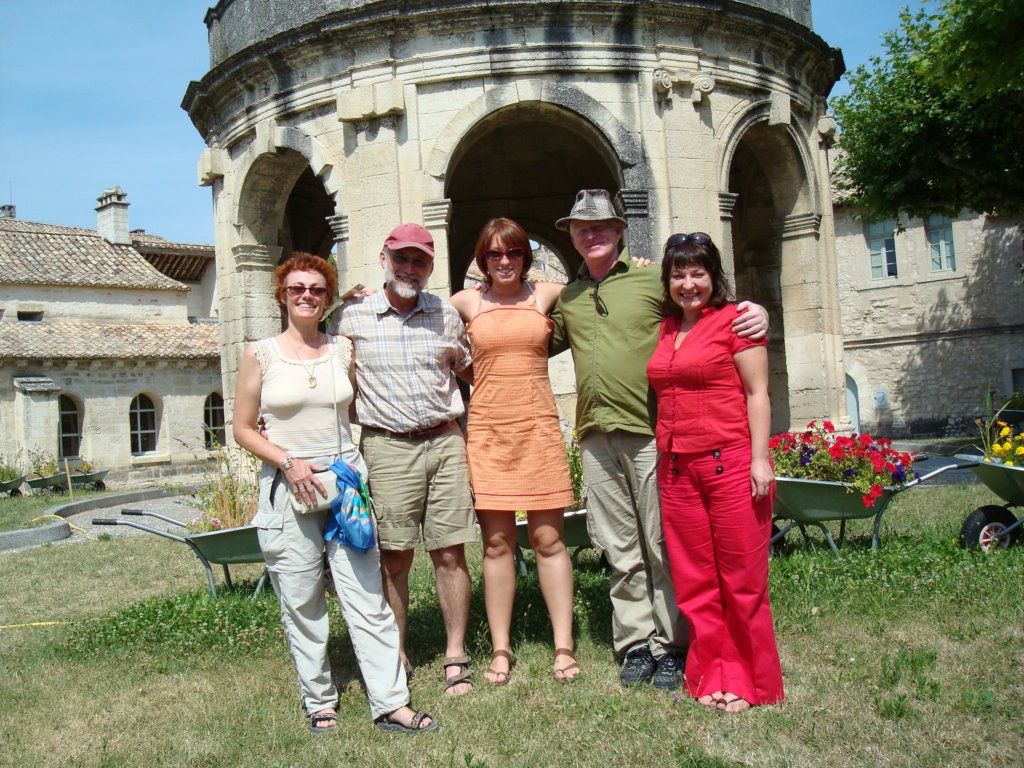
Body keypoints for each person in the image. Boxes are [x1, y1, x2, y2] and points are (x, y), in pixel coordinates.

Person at [549, 189, 768, 691]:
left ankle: (673, 644)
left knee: (662, 544)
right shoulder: (571, 296)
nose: (591, 233)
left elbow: (706, 308)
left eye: (601, 224)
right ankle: (634, 643)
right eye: (581, 227)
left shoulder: (653, 277)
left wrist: (756, 312)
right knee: (618, 547)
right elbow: (535, 334)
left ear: (620, 230)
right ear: (573, 236)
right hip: (596, 436)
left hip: (651, 433)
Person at [232, 252, 437, 734]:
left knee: (368, 596)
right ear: (281, 294)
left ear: (328, 299)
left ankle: (391, 702)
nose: (306, 296)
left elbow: (352, 410)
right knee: (303, 598)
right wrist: (287, 460)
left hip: (346, 486)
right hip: (289, 487)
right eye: (296, 288)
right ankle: (319, 698)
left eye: (317, 289)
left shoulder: (342, 349)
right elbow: (241, 428)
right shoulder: (259, 353)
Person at [331, 224, 478, 697]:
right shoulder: (352, 317)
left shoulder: (445, 316)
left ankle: (455, 654)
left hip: (444, 441)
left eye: (419, 261)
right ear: (383, 259)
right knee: (393, 557)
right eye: (402, 259)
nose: (409, 269)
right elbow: (329, 375)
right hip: (387, 447)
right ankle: (395, 654)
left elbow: (470, 371)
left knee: (451, 552)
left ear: (431, 267)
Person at [646, 232, 783, 712]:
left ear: (713, 276)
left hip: (729, 464)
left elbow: (757, 394)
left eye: (697, 273)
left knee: (742, 579)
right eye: (678, 274)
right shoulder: (664, 328)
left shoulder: (737, 321)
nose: (688, 283)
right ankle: (709, 676)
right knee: (696, 580)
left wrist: (760, 458)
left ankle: (749, 682)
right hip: (677, 469)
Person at [450, 217, 580, 685]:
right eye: (493, 254)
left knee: (549, 541)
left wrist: (640, 268)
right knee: (497, 544)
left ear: (526, 256)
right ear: (482, 259)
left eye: (514, 253)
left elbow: (598, 294)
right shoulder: (465, 303)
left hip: (538, 430)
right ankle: (501, 648)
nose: (504, 261)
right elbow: (433, 339)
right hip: (488, 433)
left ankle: (563, 645)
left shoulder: (546, 295)